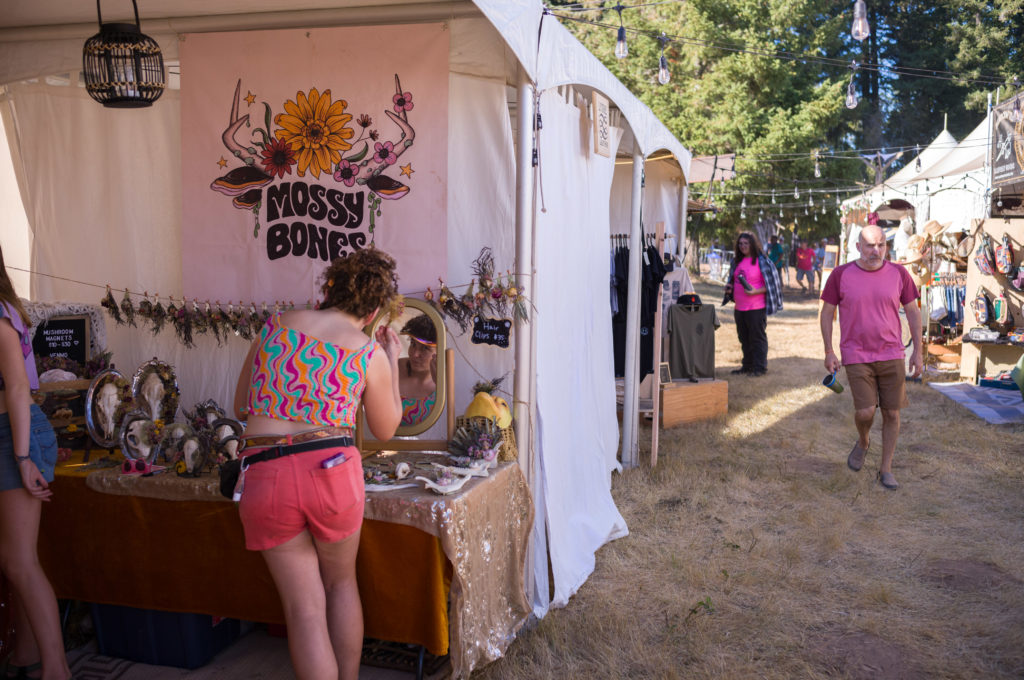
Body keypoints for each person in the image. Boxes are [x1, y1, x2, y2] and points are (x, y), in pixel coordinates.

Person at [233, 247, 403, 680]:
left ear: (329, 288)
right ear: (375, 310)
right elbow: (385, 429)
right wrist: (392, 364)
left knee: (304, 610)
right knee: (341, 584)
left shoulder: (276, 326)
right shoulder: (369, 353)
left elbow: (241, 405)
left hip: (267, 473)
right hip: (331, 470)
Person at [0, 245, 71, 680]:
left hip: (14, 433)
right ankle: (26, 655)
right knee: (14, 559)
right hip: (13, 433)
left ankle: (56, 669)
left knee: (19, 561)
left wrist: (24, 457)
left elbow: (17, 392)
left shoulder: (2, 318)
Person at [820, 225, 923, 490]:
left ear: (886, 247)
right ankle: (864, 441)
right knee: (865, 411)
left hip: (892, 353)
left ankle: (885, 469)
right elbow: (826, 312)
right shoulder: (841, 275)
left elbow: (913, 313)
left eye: (881, 245)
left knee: (891, 412)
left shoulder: (899, 274)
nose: (876, 251)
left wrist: (918, 353)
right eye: (869, 245)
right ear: (857, 247)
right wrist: (829, 351)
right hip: (856, 354)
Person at [722, 232, 783, 377]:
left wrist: (756, 291)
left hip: (756, 307)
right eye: (740, 243)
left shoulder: (762, 261)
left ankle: (760, 367)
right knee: (743, 338)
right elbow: (734, 279)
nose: (743, 246)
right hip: (740, 307)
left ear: (752, 244)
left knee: (757, 338)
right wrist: (730, 287)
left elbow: (773, 284)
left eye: (746, 243)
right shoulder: (737, 261)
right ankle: (747, 366)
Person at [397, 314, 437, 426]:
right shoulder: (392, 368)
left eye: (425, 348)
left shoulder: (445, 384)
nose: (415, 354)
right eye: (413, 344)